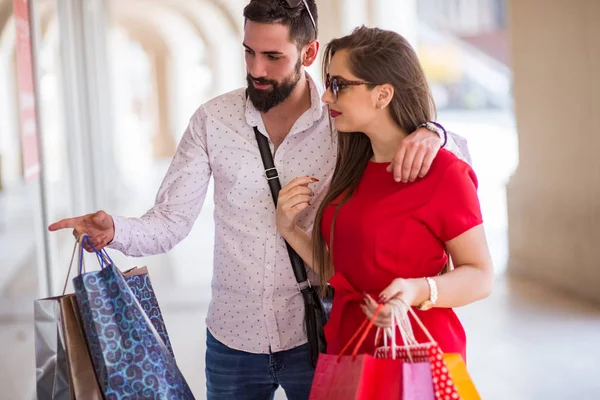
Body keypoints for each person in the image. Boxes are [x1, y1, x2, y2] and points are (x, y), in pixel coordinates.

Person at [48, 1, 468, 399]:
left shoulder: (344, 119)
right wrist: (116, 229)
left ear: (309, 52)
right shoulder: (213, 120)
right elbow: (170, 222)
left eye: (272, 56)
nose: (256, 69)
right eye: (248, 52)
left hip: (318, 333)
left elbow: (448, 160)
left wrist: (434, 132)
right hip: (233, 339)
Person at [275, 26, 494, 362]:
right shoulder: (350, 167)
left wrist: (417, 291)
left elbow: (481, 276)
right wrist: (289, 229)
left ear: (382, 94)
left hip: (417, 354)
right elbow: (343, 270)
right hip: (350, 347)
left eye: (338, 85)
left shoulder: (444, 173)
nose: (326, 97)